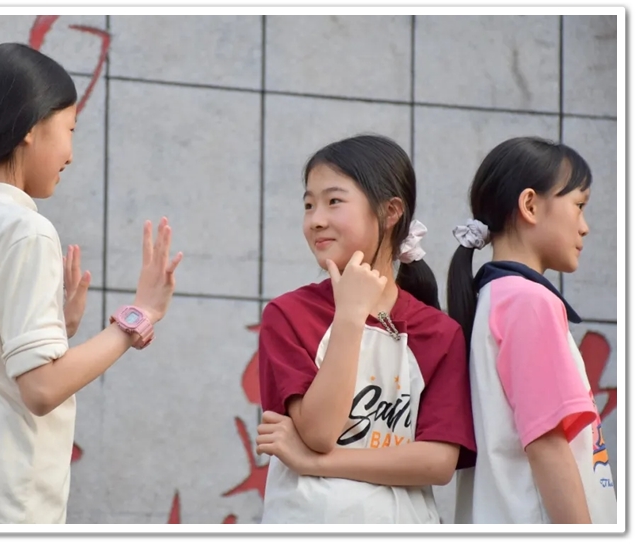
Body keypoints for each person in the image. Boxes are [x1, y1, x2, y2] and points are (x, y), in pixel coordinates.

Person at [0, 42, 183, 524]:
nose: (71, 154)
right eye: (69, 130)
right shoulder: (26, 229)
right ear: (29, 128)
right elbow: (41, 389)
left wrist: (56, 329)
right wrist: (138, 316)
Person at [255, 134, 476, 524]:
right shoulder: (288, 314)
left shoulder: (438, 333)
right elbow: (320, 430)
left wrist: (314, 462)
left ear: (390, 212)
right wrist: (351, 316)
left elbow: (437, 462)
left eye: (333, 201)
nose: (316, 219)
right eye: (308, 205)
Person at [447, 136, 616, 524]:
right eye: (579, 205)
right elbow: (547, 445)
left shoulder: (493, 296)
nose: (585, 227)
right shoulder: (527, 301)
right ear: (530, 205)